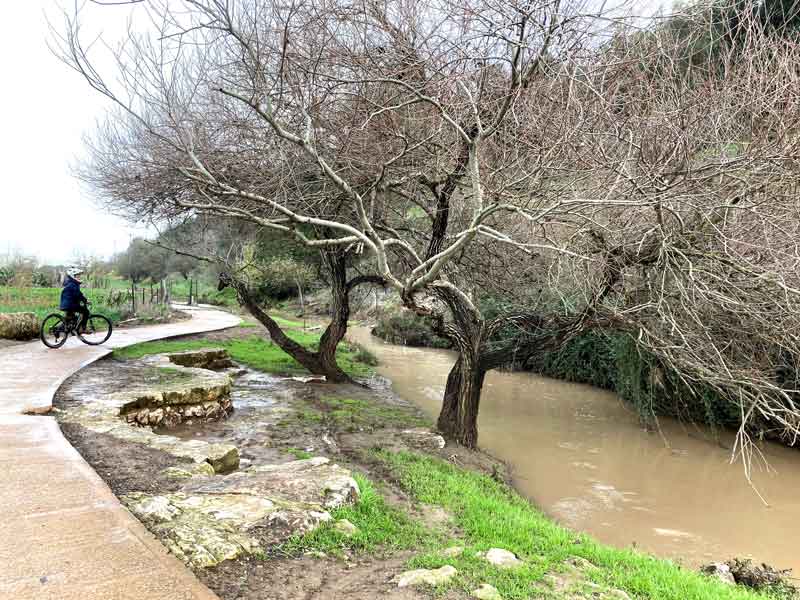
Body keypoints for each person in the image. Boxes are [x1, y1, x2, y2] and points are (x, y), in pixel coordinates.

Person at [60, 267, 90, 332]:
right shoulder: (72, 284)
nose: (79, 277)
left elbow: (78, 294)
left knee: (71, 318)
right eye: (77, 275)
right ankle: (83, 328)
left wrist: (83, 300)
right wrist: (85, 300)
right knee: (86, 312)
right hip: (70, 305)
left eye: (79, 275)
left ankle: (63, 328)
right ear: (72, 276)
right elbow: (78, 294)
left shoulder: (71, 283)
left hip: (67, 304)